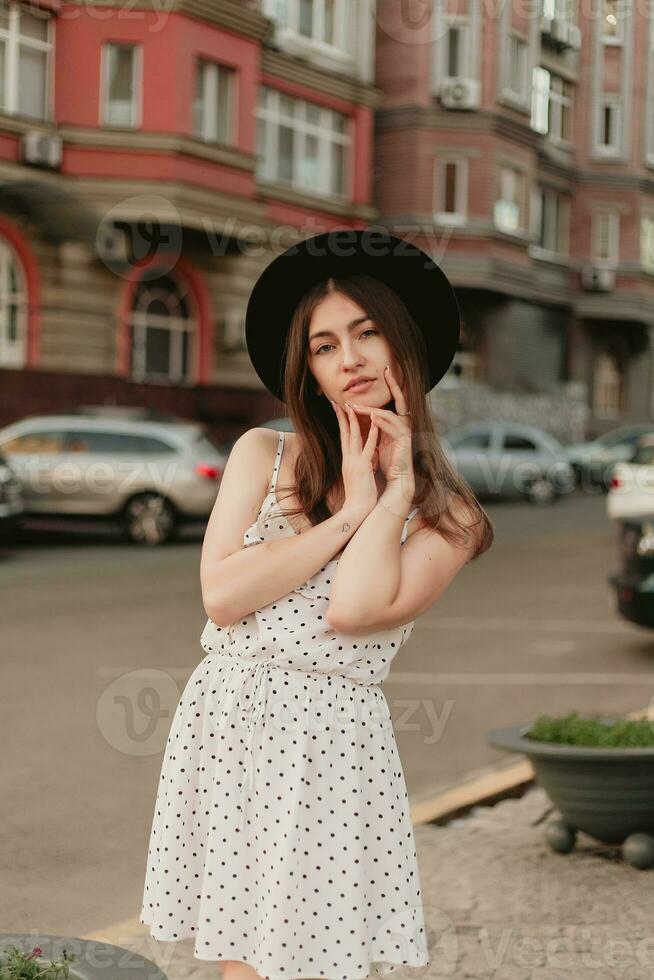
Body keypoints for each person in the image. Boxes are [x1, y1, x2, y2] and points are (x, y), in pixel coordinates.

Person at [139, 229, 494, 980]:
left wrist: (395, 491)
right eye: (327, 346)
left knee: (309, 961)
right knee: (242, 958)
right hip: (230, 718)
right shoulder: (263, 456)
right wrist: (348, 511)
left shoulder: (449, 516)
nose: (352, 359)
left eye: (367, 334)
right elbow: (223, 596)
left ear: (406, 346)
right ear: (312, 370)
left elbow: (355, 612)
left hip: (330, 742)